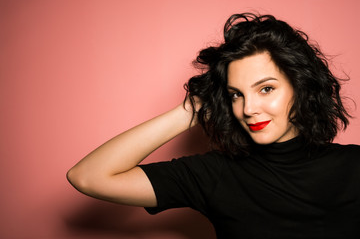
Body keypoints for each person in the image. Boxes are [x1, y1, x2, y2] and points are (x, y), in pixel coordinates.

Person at [67, 13, 360, 238]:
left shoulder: (353, 166)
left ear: (301, 87)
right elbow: (88, 176)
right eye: (236, 94)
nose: (247, 109)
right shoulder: (215, 174)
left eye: (266, 89)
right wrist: (190, 110)